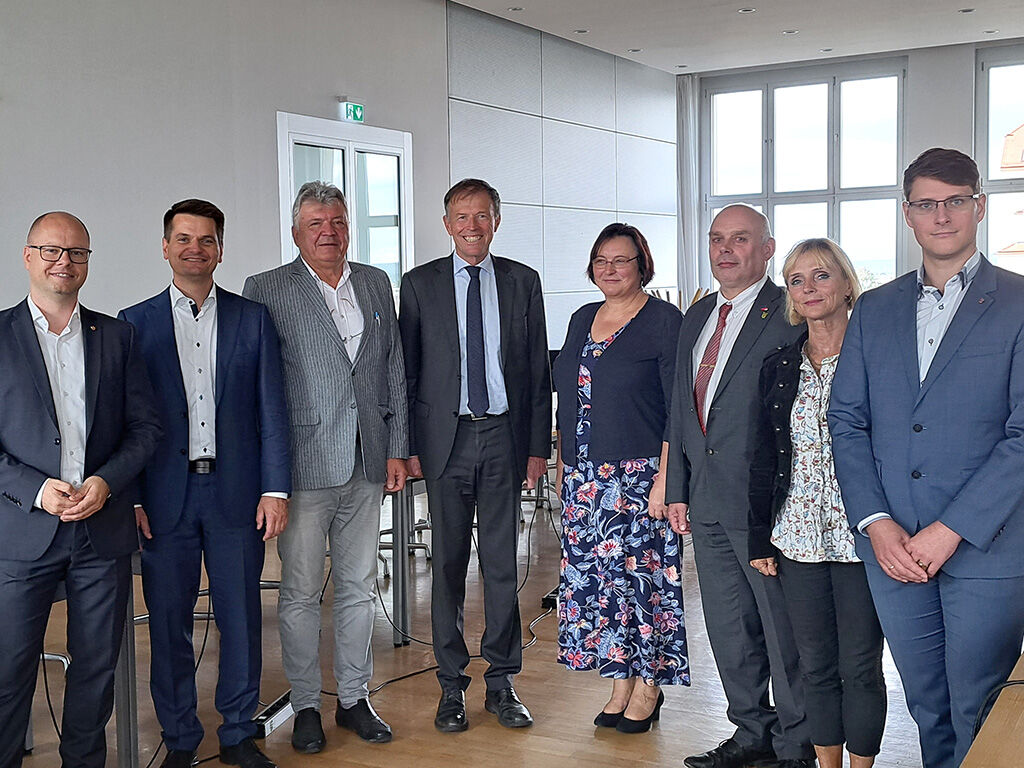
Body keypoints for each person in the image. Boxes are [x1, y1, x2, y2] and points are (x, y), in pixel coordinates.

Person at [829, 147, 1024, 768]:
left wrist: (949, 531)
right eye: (926, 204)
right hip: (892, 547)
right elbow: (847, 422)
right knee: (926, 703)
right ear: (907, 213)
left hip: (987, 547)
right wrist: (876, 523)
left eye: (956, 201)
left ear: (980, 208)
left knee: (978, 703)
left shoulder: (1020, 302)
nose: (942, 216)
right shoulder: (876, 309)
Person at [119, 199, 290, 768]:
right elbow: (123, 420)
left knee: (240, 616)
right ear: (165, 247)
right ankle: (181, 739)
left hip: (236, 493)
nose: (196, 248)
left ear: (221, 249)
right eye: (184, 239)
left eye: (207, 239)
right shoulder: (132, 324)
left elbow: (272, 411)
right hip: (163, 499)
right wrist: (134, 495)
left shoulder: (252, 318)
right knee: (168, 624)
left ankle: (238, 732)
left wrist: (276, 489)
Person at [243, 181, 408, 754]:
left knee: (360, 588)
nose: (328, 232)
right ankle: (307, 702)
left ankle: (355, 698)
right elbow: (260, 387)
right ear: (296, 232)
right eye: (316, 224)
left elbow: (394, 372)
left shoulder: (375, 281)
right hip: (305, 467)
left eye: (337, 221)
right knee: (300, 592)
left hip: (368, 459)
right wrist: (270, 476)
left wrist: (396, 447)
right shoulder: (266, 289)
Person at [0, 212, 162, 768]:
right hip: (22, 536)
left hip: (101, 532)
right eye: (50, 251)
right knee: (9, 671)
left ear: (88, 262)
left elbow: (146, 429)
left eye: (76, 253)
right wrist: (37, 489)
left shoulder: (116, 336)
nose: (63, 262)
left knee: (96, 670)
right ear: (27, 256)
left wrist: (107, 481)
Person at [398, 178, 551, 733]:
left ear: (496, 221)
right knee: (446, 566)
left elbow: (538, 371)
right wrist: (409, 447)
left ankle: (502, 680)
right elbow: (406, 373)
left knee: (503, 565)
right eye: (461, 217)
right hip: (446, 442)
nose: (472, 226)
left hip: (505, 436)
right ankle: (450, 685)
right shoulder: (417, 285)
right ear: (446, 224)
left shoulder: (522, 282)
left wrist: (538, 447)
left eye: (482, 216)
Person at [665, 204, 814, 768]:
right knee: (728, 628)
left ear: (768, 248)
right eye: (717, 239)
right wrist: (676, 486)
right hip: (704, 501)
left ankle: (798, 745)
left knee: (781, 631)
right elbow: (681, 407)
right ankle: (751, 732)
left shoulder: (791, 312)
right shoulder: (697, 314)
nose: (726, 250)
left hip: (765, 508)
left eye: (741, 239)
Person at [747, 239, 885, 768]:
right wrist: (760, 535)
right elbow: (763, 457)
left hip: (866, 539)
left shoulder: (878, 359)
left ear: (847, 284)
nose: (808, 289)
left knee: (860, 666)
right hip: (796, 539)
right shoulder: (779, 365)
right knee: (815, 665)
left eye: (821, 276)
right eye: (796, 280)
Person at [552, 223, 688, 734]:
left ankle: (649, 686)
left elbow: (679, 406)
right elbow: (568, 398)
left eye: (622, 260)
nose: (611, 269)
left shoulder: (663, 320)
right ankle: (619, 680)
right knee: (602, 590)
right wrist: (565, 471)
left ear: (642, 265)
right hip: (585, 481)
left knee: (644, 585)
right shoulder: (581, 318)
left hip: (640, 477)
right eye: (602, 260)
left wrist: (667, 481)